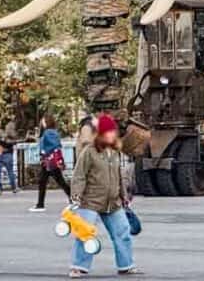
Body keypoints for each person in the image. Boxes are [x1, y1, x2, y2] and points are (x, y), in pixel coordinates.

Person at [68, 113, 140, 277]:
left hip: (113, 201)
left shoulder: (115, 151)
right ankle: (78, 266)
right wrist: (76, 197)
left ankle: (126, 265)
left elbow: (118, 175)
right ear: (100, 134)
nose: (111, 135)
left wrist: (124, 196)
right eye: (107, 132)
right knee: (85, 233)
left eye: (112, 131)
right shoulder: (89, 152)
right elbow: (79, 175)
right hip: (90, 200)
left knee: (123, 231)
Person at [30, 114, 70, 212]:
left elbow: (52, 145)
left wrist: (44, 152)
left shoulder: (48, 133)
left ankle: (40, 204)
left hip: (49, 160)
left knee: (52, 181)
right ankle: (40, 204)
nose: (42, 122)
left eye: (43, 121)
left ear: (46, 122)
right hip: (51, 160)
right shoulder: (53, 132)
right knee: (50, 181)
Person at [0, 119, 18, 195]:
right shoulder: (4, 132)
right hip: (7, 153)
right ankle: (14, 187)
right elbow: (9, 141)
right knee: (10, 171)